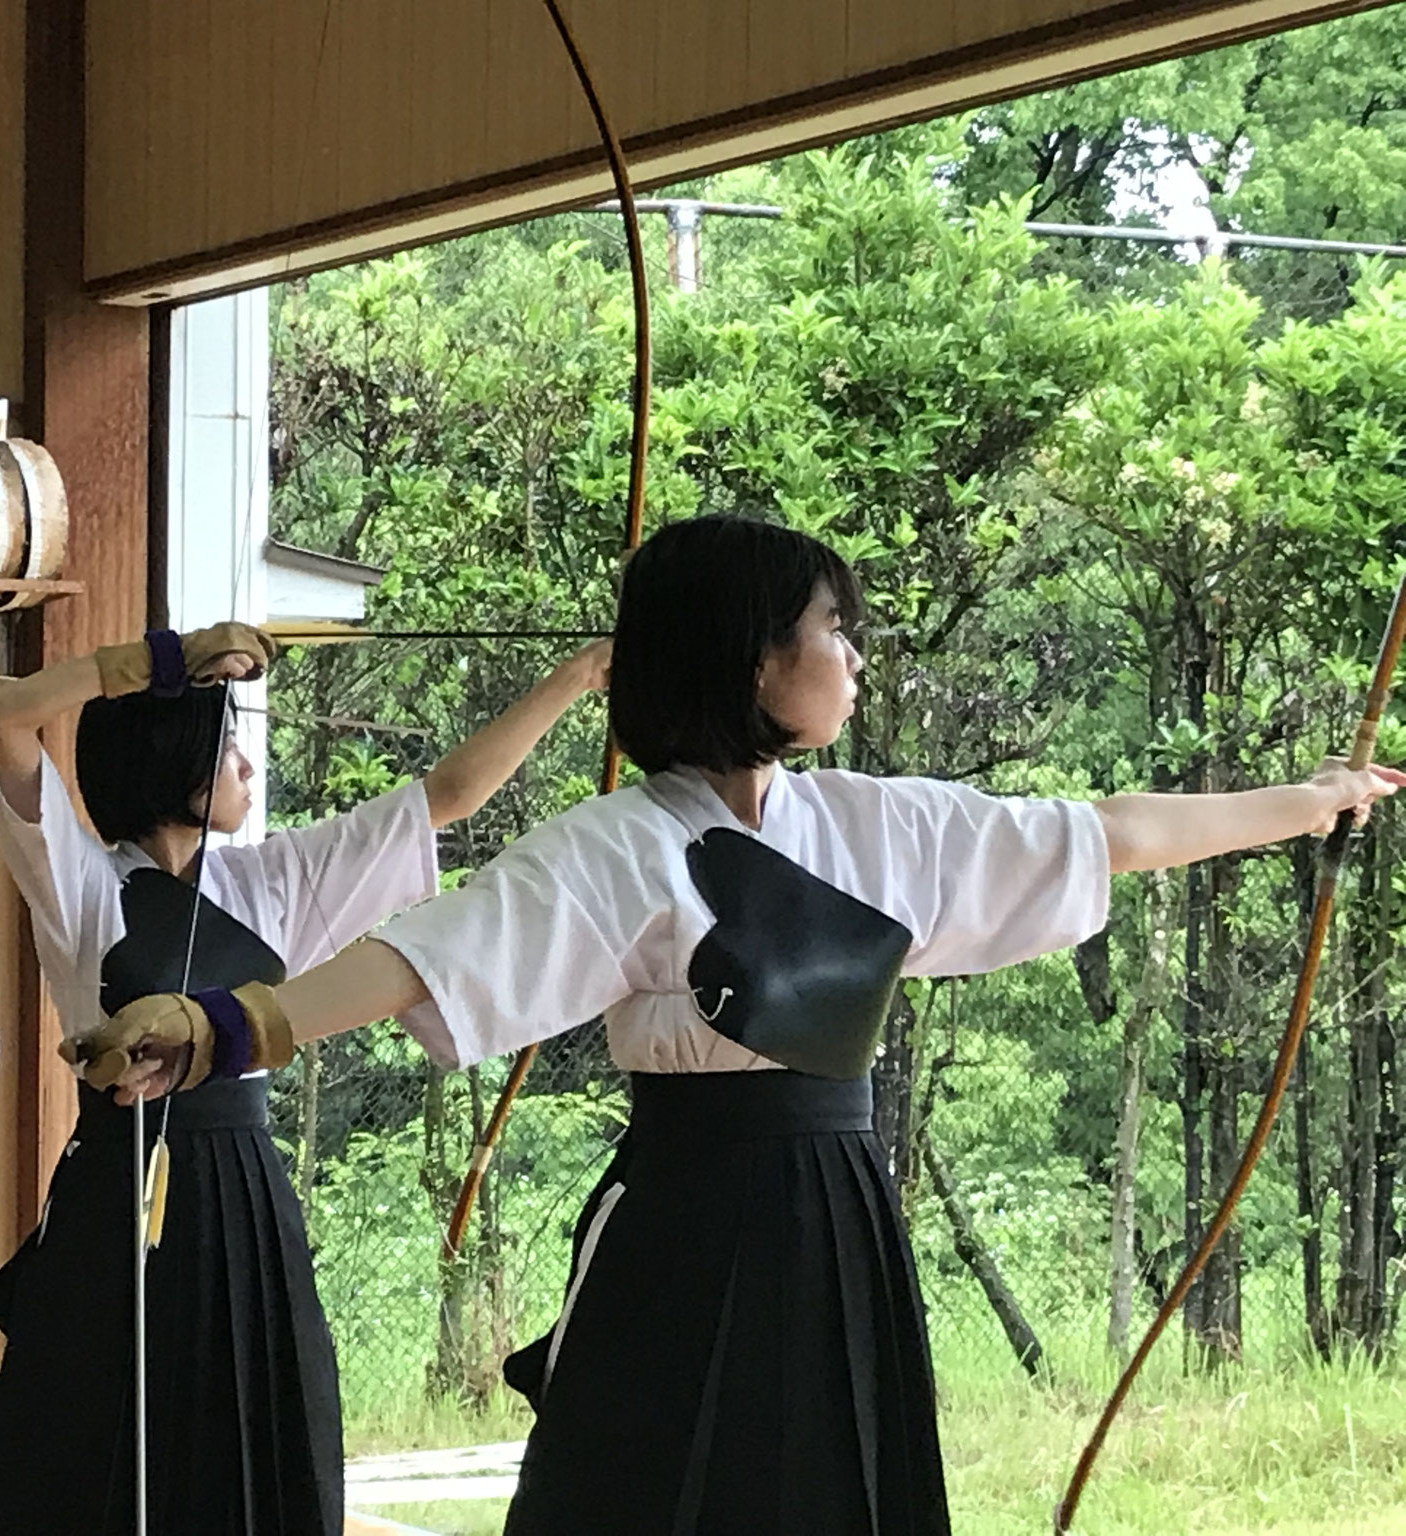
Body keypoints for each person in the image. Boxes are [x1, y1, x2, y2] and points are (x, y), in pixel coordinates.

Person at [73, 516, 1404, 1536]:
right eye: (837, 628)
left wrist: (1309, 799)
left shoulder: (866, 825)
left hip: (838, 1204)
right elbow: (424, 960)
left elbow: (1097, 836)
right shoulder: (623, 845)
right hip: (690, 1221)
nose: (857, 655)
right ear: (754, 659)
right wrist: (219, 1031)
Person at [0, 621, 611, 1536]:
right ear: (171, 749)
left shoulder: (272, 881)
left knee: (258, 1427)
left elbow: (447, 797)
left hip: (245, 1199)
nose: (248, 768)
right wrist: (162, 661)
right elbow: (5, 716)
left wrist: (576, 679)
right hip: (121, 1190)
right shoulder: (80, 881)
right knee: (90, 1438)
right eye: (228, 746)